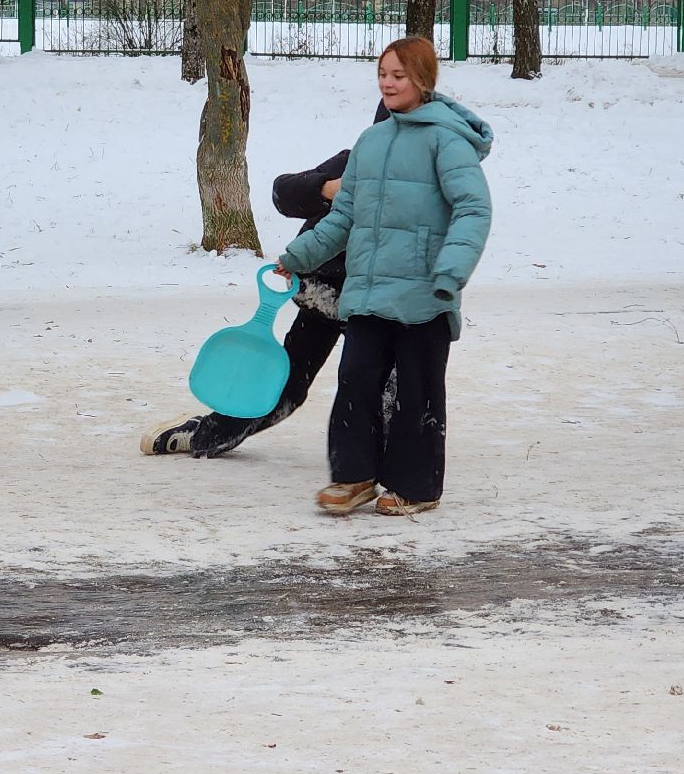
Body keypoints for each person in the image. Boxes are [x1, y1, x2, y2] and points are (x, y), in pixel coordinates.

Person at [277, 36, 492, 517]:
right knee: (355, 379)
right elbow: (343, 217)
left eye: (399, 75)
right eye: (383, 74)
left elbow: (473, 209)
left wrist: (451, 271)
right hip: (369, 290)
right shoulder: (371, 143)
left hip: (423, 291)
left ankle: (416, 487)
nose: (389, 83)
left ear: (422, 80)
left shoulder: (446, 141)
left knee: (417, 390)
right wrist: (299, 255)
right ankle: (354, 478)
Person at [140, 104, 397, 458]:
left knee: (383, 388)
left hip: (378, 308)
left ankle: (391, 466)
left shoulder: (425, 185)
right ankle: (205, 433)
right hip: (325, 295)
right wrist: (326, 189)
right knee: (284, 392)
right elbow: (284, 193)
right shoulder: (351, 165)